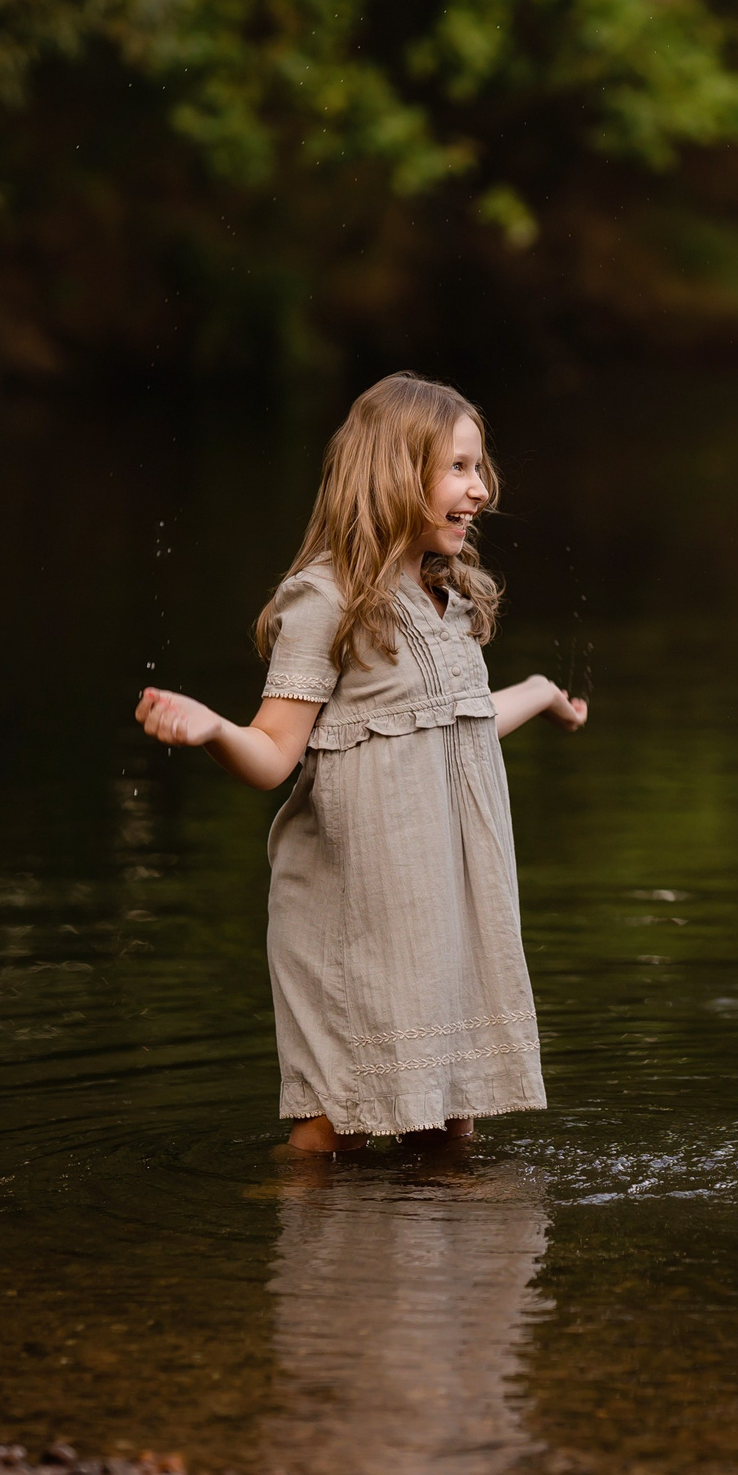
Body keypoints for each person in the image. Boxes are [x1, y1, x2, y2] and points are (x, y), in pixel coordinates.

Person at [134, 373, 588, 1154]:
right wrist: (214, 728)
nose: (480, 490)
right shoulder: (328, 598)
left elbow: (455, 729)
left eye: (479, 469)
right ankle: (302, 1244)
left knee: (449, 1122)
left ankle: (448, 1269)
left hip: (447, 913)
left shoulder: (451, 595)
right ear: (391, 473)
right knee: (334, 1126)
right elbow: (275, 755)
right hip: (360, 917)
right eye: (458, 469)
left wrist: (539, 690)